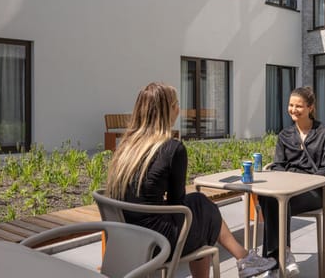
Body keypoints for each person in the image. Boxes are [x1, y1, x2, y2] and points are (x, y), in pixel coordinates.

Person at [106, 82, 276, 278]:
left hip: (127, 237)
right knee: (201, 209)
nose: (179, 109)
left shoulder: (126, 147)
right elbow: (177, 203)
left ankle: (245, 258)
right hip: (158, 242)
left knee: (199, 203)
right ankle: (245, 259)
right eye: (176, 104)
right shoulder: (172, 148)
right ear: (168, 110)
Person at [259, 86, 325, 278]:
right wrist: (288, 180)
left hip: (316, 191)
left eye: (299, 106)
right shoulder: (285, 135)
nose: (293, 110)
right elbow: (277, 165)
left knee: (278, 202)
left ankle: (273, 262)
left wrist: (302, 182)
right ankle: (283, 255)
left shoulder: (324, 133)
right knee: (268, 197)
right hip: (289, 190)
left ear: (310, 107)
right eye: (291, 105)